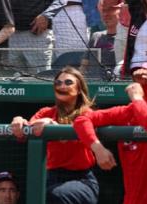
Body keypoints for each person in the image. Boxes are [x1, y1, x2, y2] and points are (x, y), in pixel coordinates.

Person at [73, 64, 147, 204]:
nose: (141, 83)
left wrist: (137, 98)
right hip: (133, 199)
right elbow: (82, 120)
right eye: (137, 79)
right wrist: (98, 148)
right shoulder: (126, 112)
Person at [11, 67, 98, 203]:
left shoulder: (87, 114)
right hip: (51, 177)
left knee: (55, 195)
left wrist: (52, 124)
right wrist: (18, 121)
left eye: (68, 82)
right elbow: (25, 132)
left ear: (79, 89)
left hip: (81, 180)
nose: (62, 86)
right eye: (58, 83)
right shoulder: (45, 112)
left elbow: (83, 140)